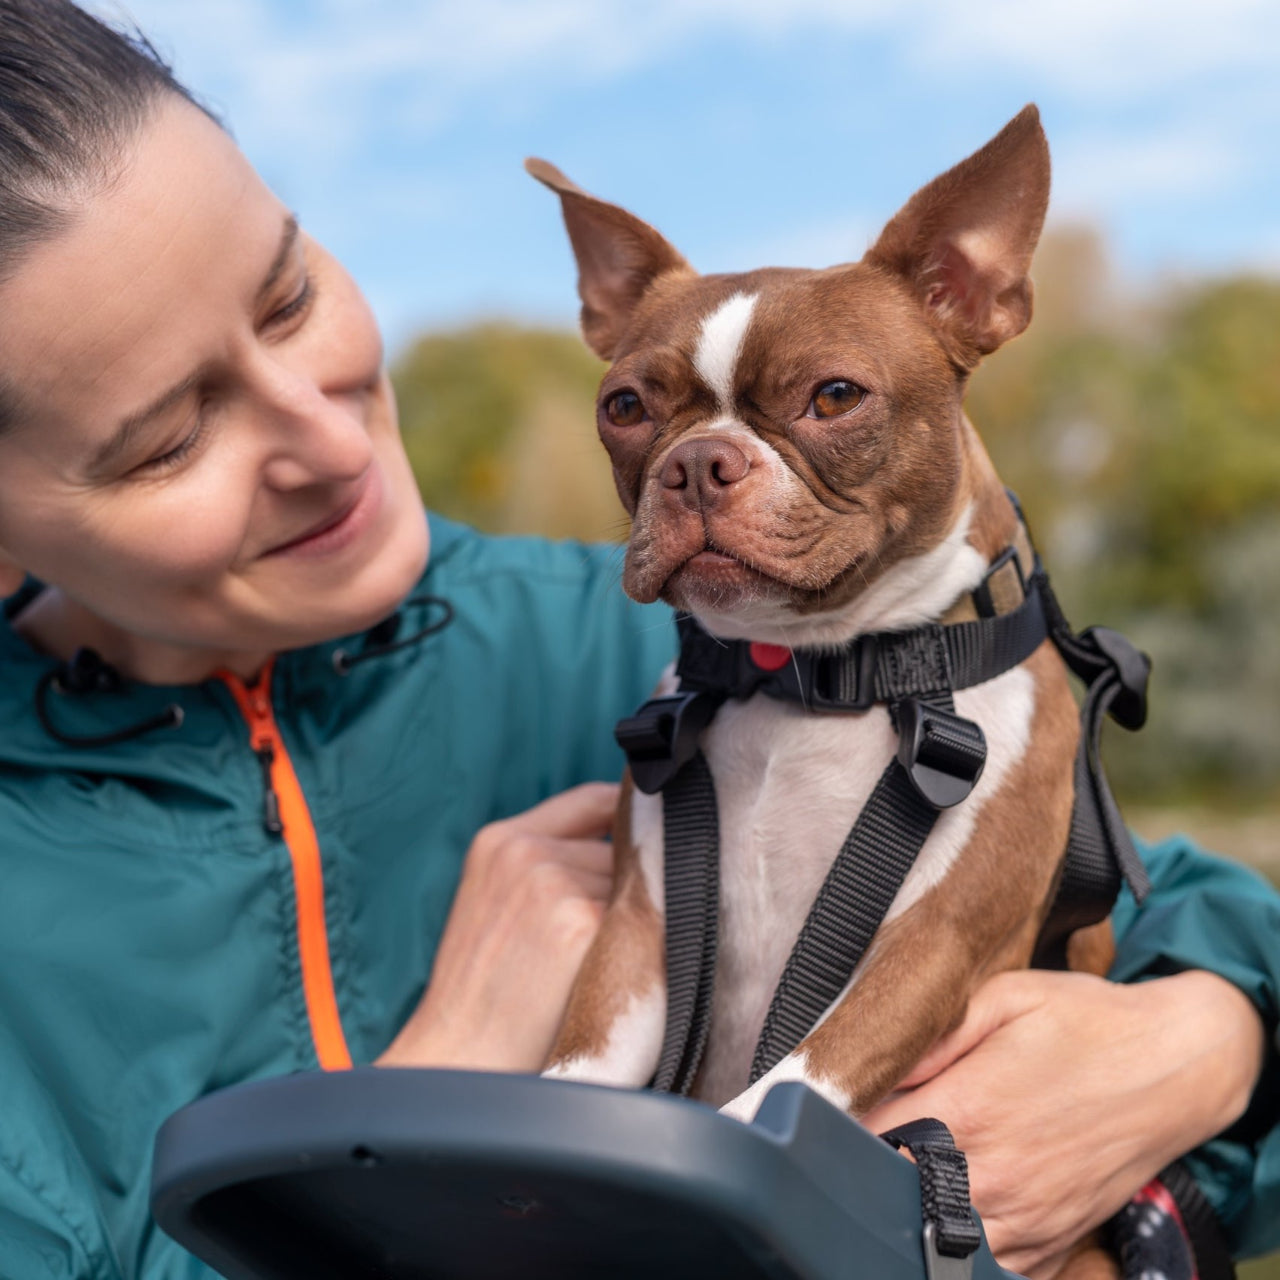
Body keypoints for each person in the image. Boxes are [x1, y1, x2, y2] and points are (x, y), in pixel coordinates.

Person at [0, 3, 1275, 1277]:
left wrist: (1196, 1053)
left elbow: (1170, 909)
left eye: (287, 299)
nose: (326, 440)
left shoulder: (701, 645)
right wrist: (429, 1091)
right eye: (170, 436)